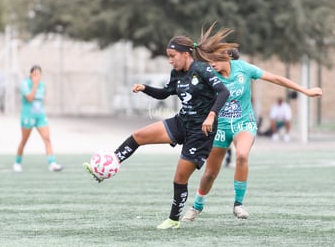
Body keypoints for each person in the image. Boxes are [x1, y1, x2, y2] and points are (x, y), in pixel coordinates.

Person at [83, 22, 237, 229]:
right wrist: (144, 88)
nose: (170, 60)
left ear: (185, 54)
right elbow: (165, 93)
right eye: (169, 56)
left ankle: (174, 220)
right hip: (182, 122)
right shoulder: (177, 74)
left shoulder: (201, 69)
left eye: (173, 56)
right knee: (138, 136)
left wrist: (211, 116)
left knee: (179, 178)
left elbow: (223, 92)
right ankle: (107, 167)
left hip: (201, 132)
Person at [182, 48, 322, 221]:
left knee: (242, 155)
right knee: (210, 173)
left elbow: (276, 78)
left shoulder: (244, 69)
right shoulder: (209, 75)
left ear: (226, 56)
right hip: (220, 126)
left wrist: (305, 91)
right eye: (208, 61)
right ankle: (197, 206)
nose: (211, 65)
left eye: (214, 61)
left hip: (244, 122)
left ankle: (238, 204)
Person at [13, 65, 64, 172]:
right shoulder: (25, 84)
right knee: (24, 140)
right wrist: (35, 85)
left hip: (40, 116)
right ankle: (17, 162)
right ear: (31, 74)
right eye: (35, 74)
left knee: (47, 138)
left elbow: (41, 99)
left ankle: (52, 163)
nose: (37, 76)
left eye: (39, 74)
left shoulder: (42, 85)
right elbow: (30, 98)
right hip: (28, 116)